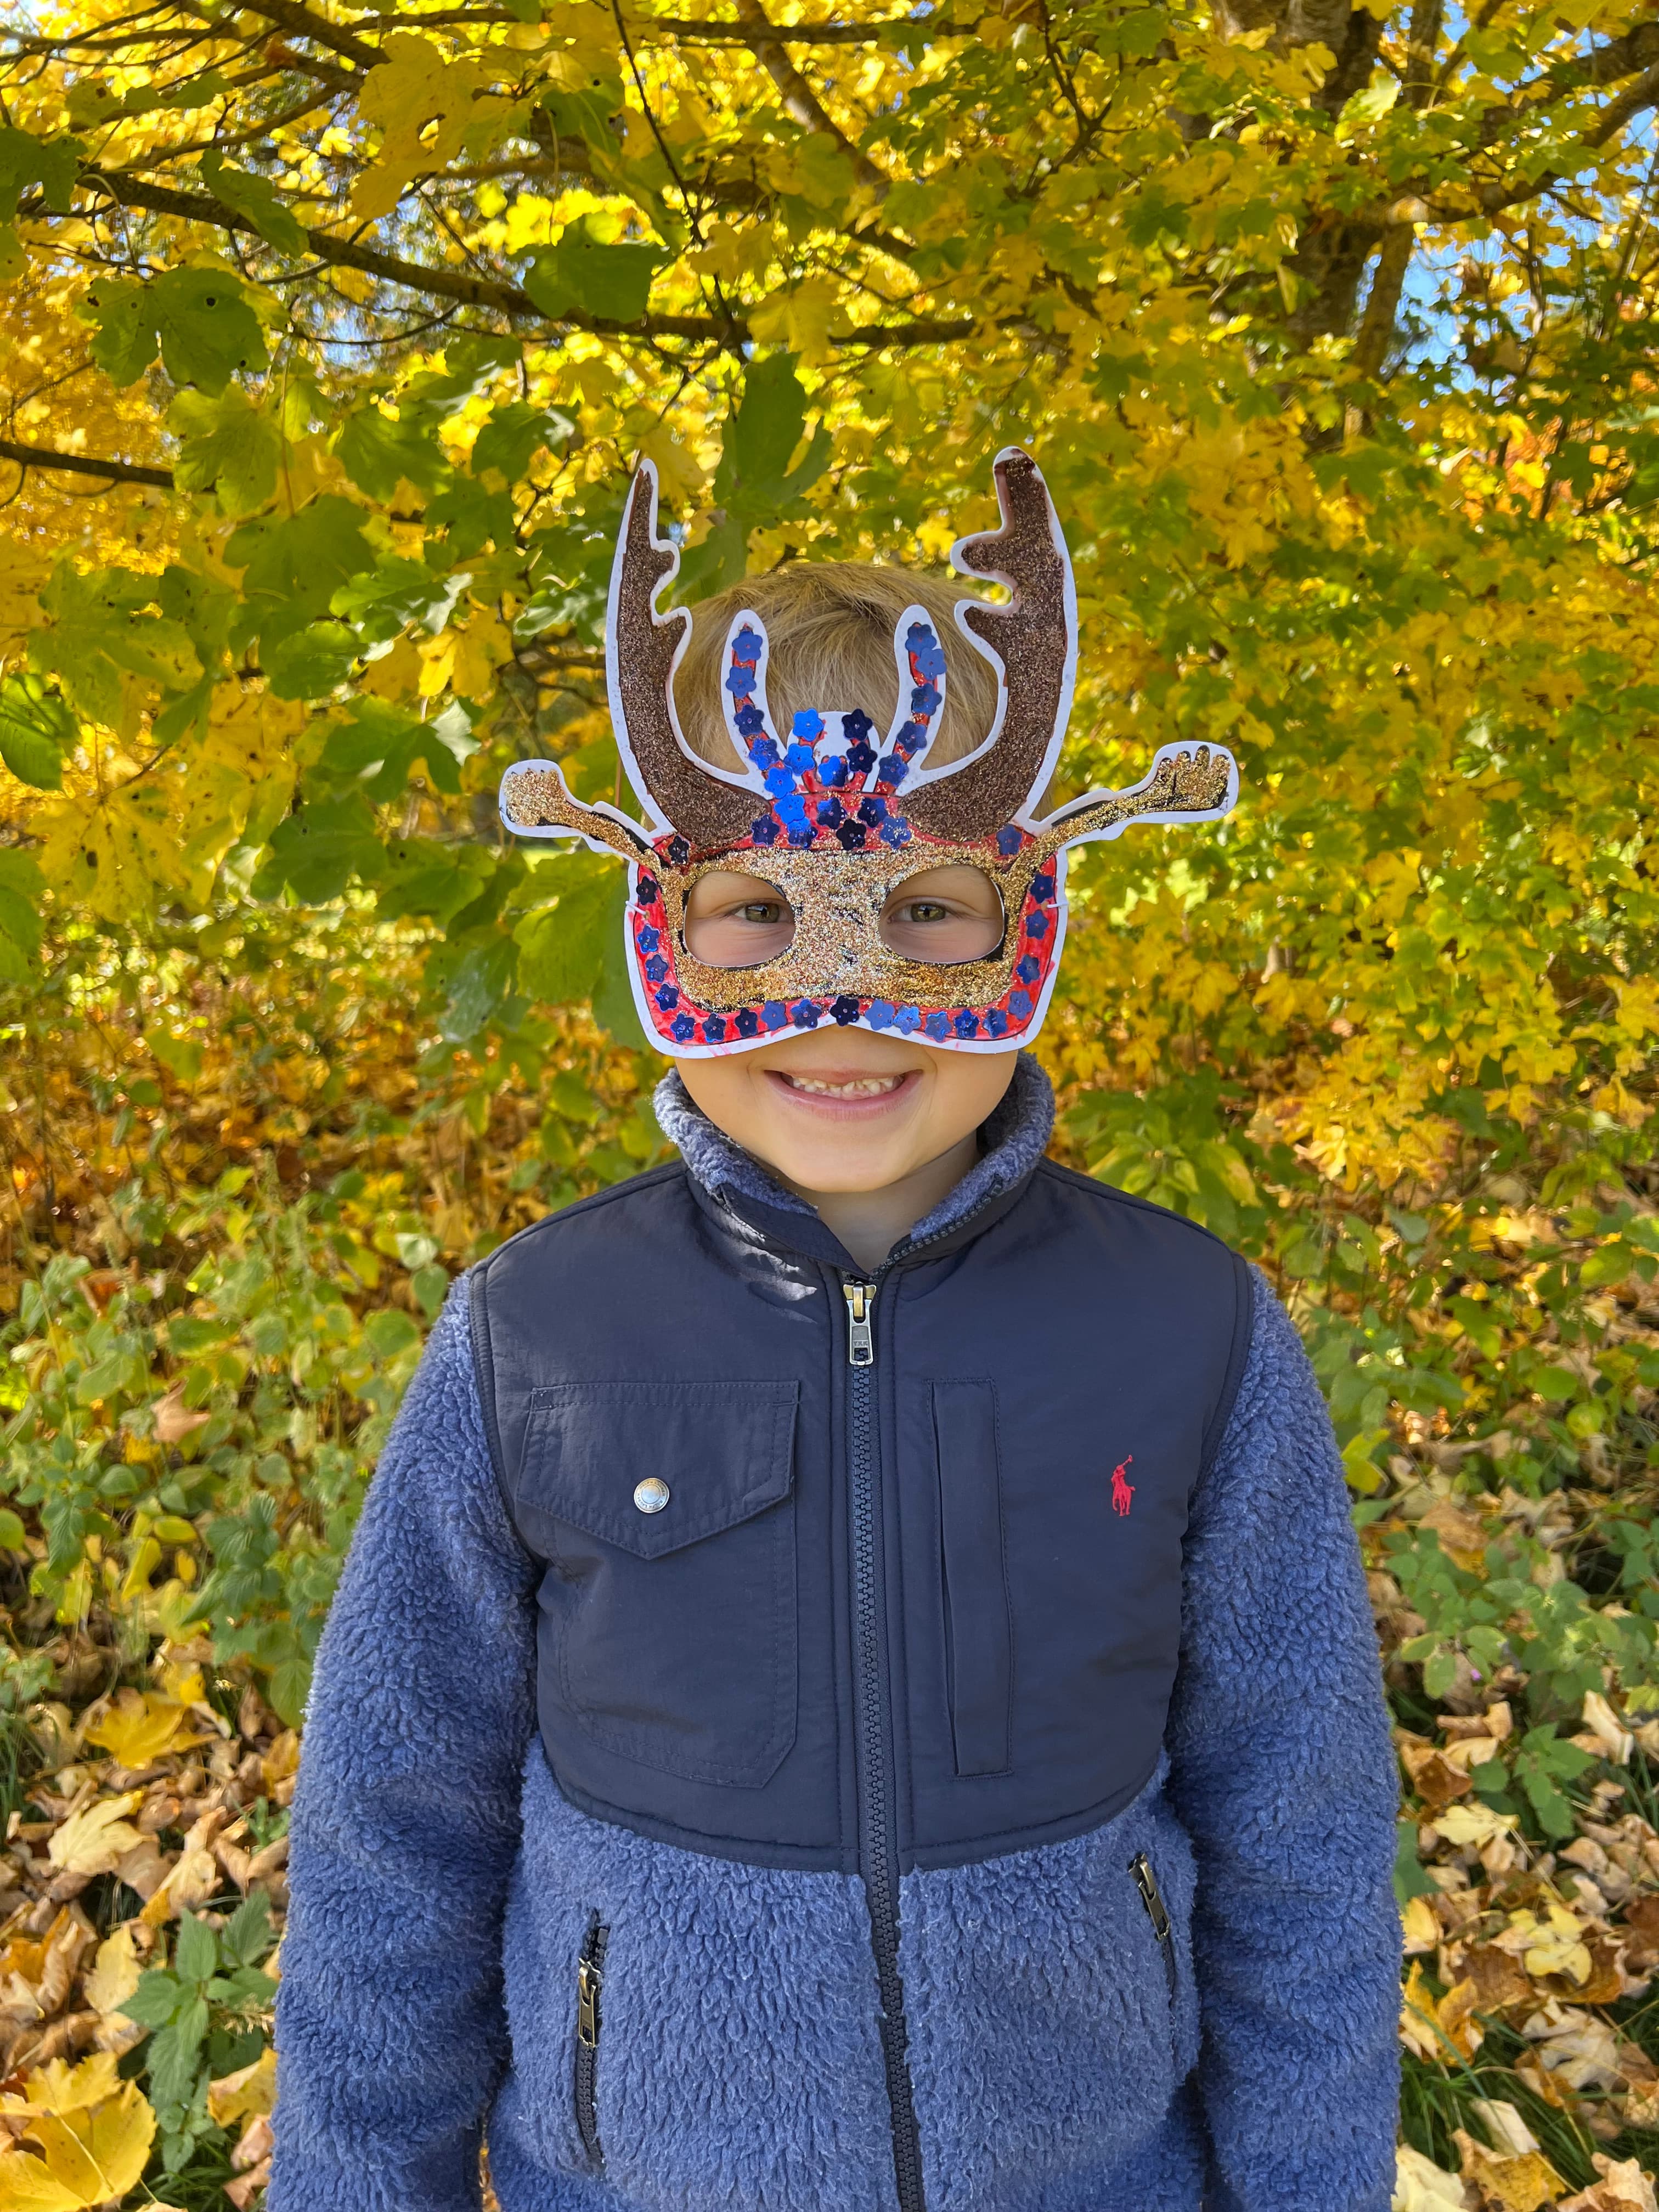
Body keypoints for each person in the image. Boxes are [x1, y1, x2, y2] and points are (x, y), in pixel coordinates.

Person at [268, 452, 1402, 2212]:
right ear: (660, 916)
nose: (847, 1001)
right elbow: (389, 1835)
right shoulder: (531, 1335)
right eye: (758, 914)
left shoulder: (1195, 1333)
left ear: (1033, 904)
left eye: (931, 910)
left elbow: (1303, 1829)